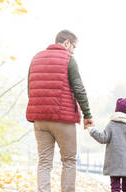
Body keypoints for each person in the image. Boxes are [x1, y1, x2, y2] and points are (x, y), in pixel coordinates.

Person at [26, 29, 93, 192]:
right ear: (67, 43)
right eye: (74, 47)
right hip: (63, 119)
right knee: (69, 161)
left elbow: (30, 88)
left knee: (44, 162)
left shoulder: (36, 58)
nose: (73, 51)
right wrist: (87, 114)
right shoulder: (69, 59)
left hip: (40, 120)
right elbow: (78, 88)